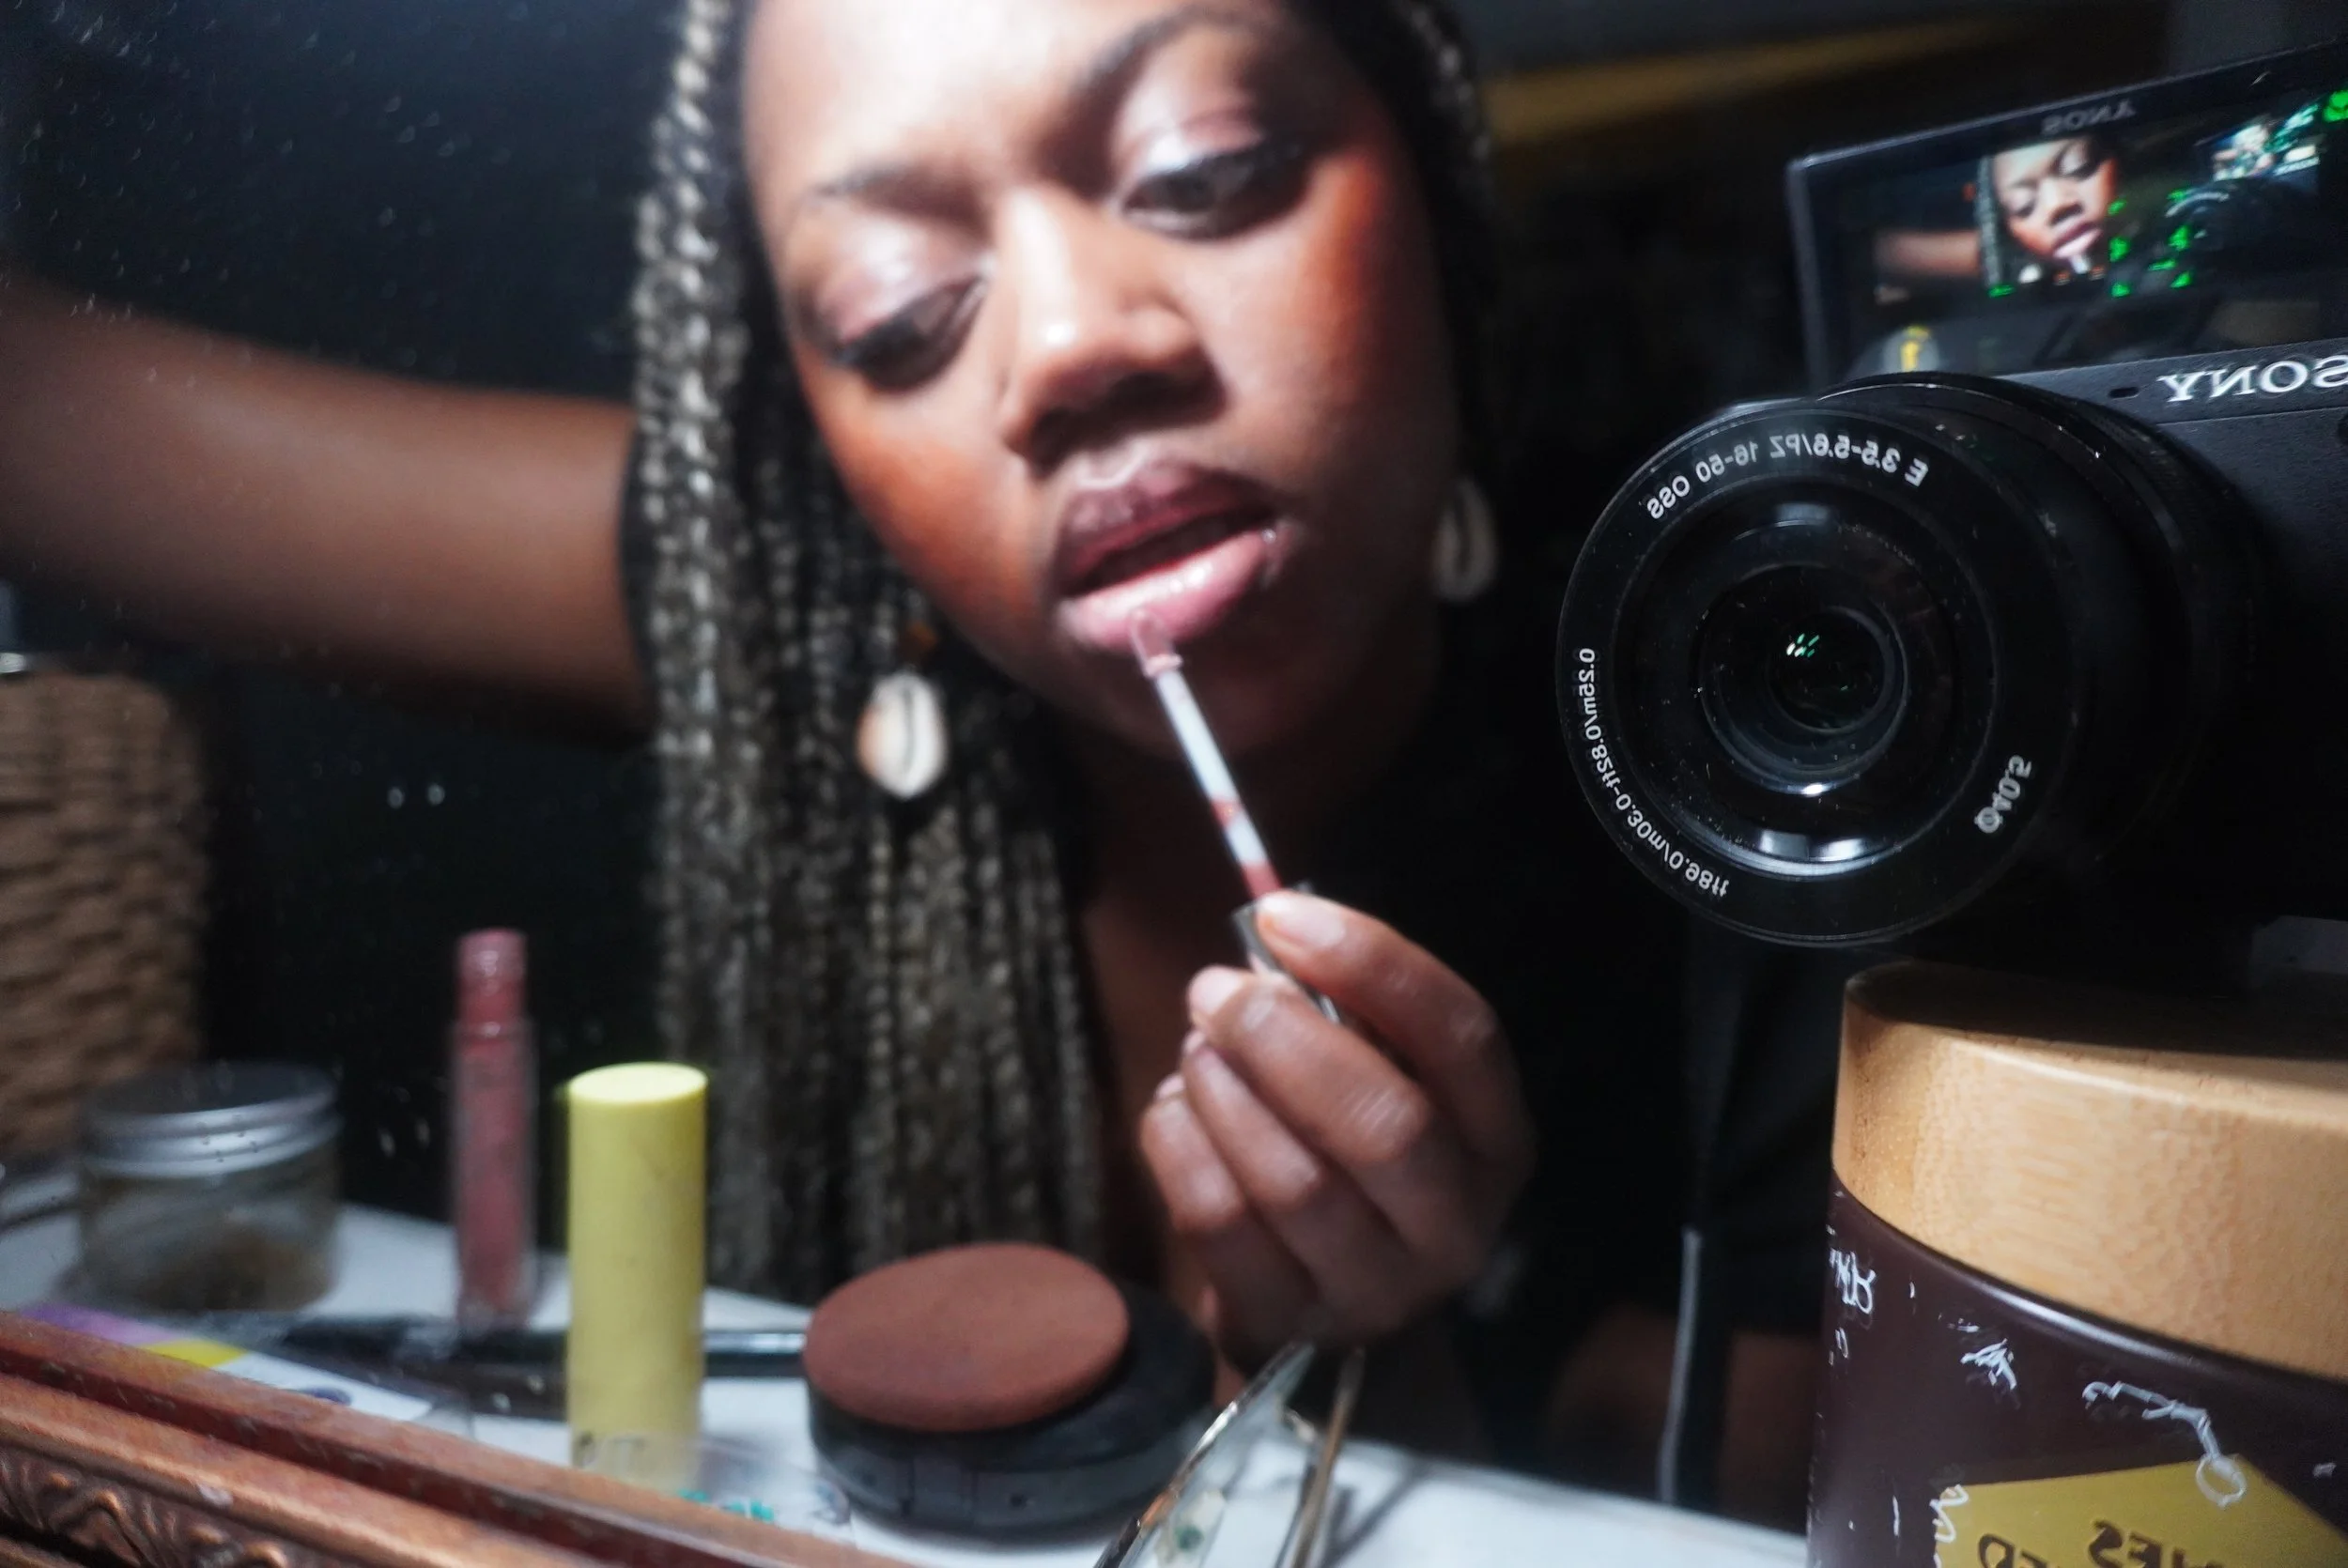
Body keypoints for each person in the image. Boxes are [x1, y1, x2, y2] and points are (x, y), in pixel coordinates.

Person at [0, 0, 1818, 1517]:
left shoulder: (1764, 744)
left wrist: (1385, 1329)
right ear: (818, 444)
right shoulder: (773, 605)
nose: (1069, 350)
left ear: (1430, 174)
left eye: (1201, 173)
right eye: (895, 314)